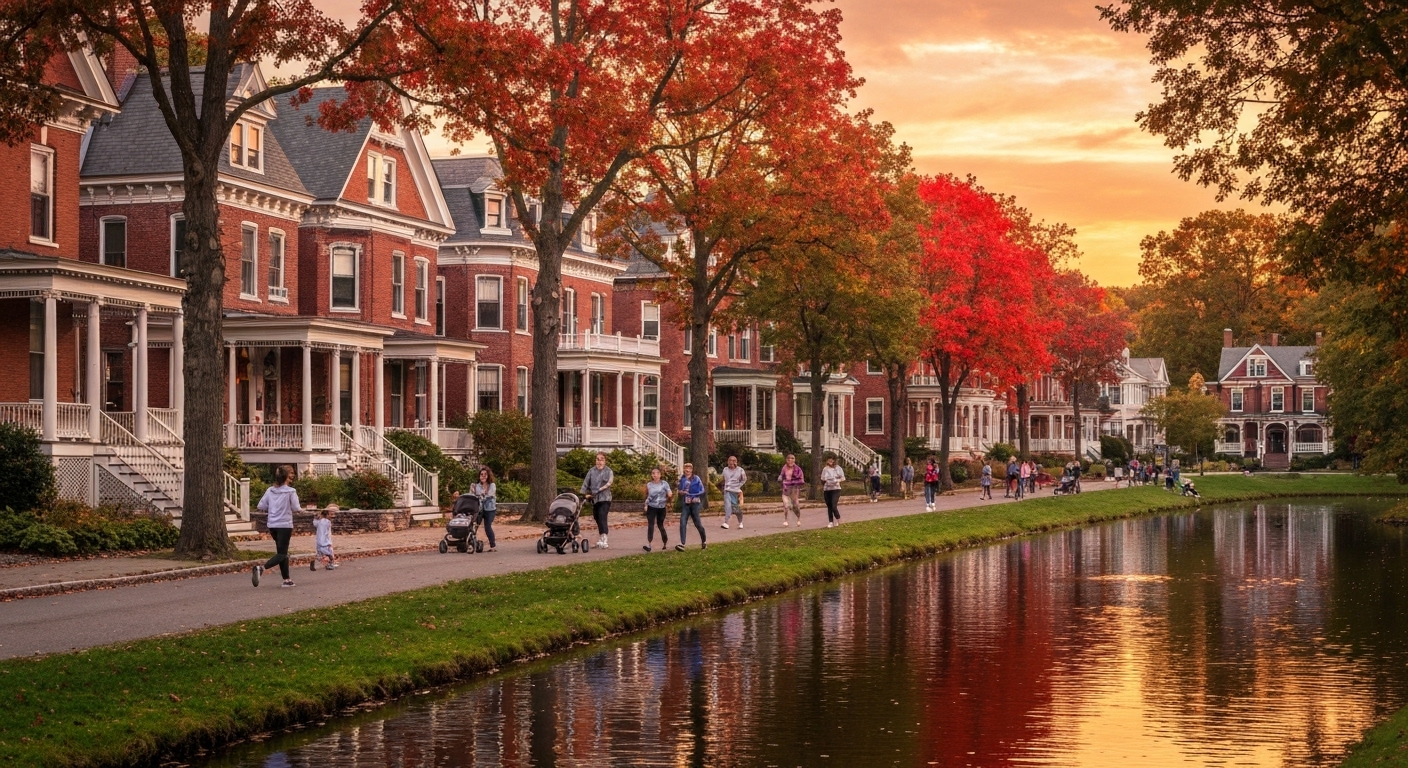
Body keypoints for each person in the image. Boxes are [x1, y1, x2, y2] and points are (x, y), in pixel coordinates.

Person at [253, 465, 299, 588]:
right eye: (291, 473)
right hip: (284, 524)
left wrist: (273, 507)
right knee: (283, 553)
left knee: (281, 552)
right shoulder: (291, 491)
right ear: (286, 476)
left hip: (272, 524)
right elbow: (296, 508)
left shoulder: (270, 490)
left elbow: (261, 506)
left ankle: (287, 580)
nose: (292, 476)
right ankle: (261, 568)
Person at [580, 452, 615, 549]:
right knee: (596, 517)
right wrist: (582, 494)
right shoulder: (591, 471)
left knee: (602, 516)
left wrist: (599, 489)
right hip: (595, 499)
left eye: (601, 459)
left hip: (605, 498)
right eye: (597, 459)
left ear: (605, 461)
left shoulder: (608, 471)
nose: (599, 461)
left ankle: (605, 538)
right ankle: (601, 537)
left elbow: (609, 482)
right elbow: (585, 483)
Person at [676, 462, 707, 551]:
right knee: (682, 522)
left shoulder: (696, 479)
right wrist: (681, 492)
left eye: (689, 468)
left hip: (695, 504)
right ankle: (682, 544)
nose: (687, 470)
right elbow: (680, 490)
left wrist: (693, 495)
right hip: (686, 504)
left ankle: (704, 541)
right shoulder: (682, 479)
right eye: (686, 468)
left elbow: (702, 491)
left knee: (697, 524)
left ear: (692, 470)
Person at [642, 466, 671, 552]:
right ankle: (649, 544)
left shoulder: (664, 483)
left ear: (660, 475)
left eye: (657, 473)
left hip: (661, 508)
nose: (655, 475)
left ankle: (665, 542)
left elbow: (669, 491)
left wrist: (669, 494)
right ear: (652, 475)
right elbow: (649, 496)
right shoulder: (649, 485)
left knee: (660, 525)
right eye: (653, 473)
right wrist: (646, 505)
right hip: (651, 507)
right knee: (650, 525)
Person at [472, 467, 498, 552]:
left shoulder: (492, 485)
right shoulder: (476, 486)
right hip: (479, 508)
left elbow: (490, 494)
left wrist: (482, 495)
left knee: (487, 526)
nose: (483, 476)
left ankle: (493, 546)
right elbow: (473, 495)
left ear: (488, 476)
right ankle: (471, 543)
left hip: (490, 509)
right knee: (474, 526)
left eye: (485, 474)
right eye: (481, 474)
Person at [779, 454, 806, 526]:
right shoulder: (784, 468)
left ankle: (798, 519)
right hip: (786, 490)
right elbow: (781, 476)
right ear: (786, 460)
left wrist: (791, 482)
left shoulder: (798, 469)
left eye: (792, 458)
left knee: (795, 505)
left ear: (794, 460)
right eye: (788, 459)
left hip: (794, 490)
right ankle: (786, 520)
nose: (790, 460)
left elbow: (802, 481)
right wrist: (780, 479)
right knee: (786, 505)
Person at [720, 455, 747, 530]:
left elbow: (744, 479)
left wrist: (739, 485)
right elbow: (723, 479)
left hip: (735, 492)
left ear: (735, 462)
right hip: (727, 491)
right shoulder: (725, 470)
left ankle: (740, 522)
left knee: (736, 509)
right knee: (727, 506)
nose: (730, 463)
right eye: (729, 461)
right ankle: (726, 522)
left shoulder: (740, 470)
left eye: (732, 461)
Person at [821, 456, 845, 528]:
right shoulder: (825, 469)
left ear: (834, 460)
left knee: (834, 505)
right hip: (827, 489)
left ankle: (838, 518)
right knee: (829, 506)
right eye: (829, 460)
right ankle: (830, 522)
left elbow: (843, 478)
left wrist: (837, 480)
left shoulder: (838, 468)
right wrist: (825, 480)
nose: (830, 461)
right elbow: (822, 478)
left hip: (836, 489)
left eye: (832, 460)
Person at [311, 506, 336, 571]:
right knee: (330, 554)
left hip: (319, 541)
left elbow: (315, 523)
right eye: (331, 514)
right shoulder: (327, 522)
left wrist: (316, 518)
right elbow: (326, 533)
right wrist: (329, 543)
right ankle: (330, 565)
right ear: (327, 514)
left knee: (320, 554)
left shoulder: (319, 521)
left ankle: (316, 563)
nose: (332, 516)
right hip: (325, 542)